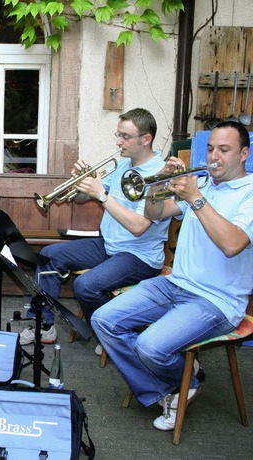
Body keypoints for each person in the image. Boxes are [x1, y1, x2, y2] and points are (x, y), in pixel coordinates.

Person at [91, 120, 253, 431]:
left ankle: (177, 381)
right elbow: (156, 213)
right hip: (175, 283)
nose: (214, 156)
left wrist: (195, 197)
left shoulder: (246, 192)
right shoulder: (204, 184)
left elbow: (232, 244)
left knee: (150, 346)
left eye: (224, 150)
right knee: (103, 320)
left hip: (217, 300)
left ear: (244, 153)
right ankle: (175, 385)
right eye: (209, 149)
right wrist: (157, 186)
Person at [22, 108, 171, 347]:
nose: (118, 141)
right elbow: (83, 200)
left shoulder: (160, 174)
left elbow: (139, 227)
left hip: (138, 255)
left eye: (125, 136)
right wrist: (83, 183)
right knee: (49, 255)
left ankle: (114, 334)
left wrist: (101, 194)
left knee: (85, 286)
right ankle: (45, 326)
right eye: (118, 134)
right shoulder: (123, 165)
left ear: (146, 139)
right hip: (109, 246)